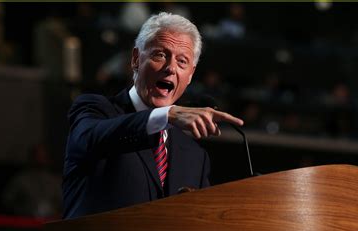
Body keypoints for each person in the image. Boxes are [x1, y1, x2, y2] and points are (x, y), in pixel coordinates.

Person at [62, 12, 243, 219]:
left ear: (191, 75)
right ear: (136, 59)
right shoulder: (94, 109)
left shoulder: (195, 156)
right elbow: (90, 138)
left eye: (182, 61)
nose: (170, 68)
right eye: (160, 55)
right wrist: (166, 115)